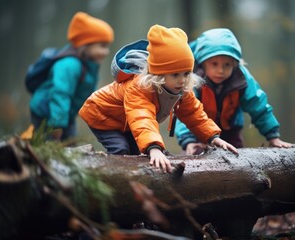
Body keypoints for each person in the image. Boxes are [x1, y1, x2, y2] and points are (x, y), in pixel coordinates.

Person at [79, 24, 238, 173]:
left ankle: (141, 187)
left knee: (137, 153)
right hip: (103, 115)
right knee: (121, 150)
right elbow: (142, 116)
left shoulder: (181, 89)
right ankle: (112, 180)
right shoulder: (140, 88)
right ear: (159, 74)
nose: (182, 80)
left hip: (126, 122)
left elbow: (194, 115)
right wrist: (154, 147)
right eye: (175, 74)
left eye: (186, 73)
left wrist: (213, 137)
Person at [175, 28, 292, 155]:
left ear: (235, 64)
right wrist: (188, 141)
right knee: (197, 159)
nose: (221, 70)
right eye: (214, 64)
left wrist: (273, 136)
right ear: (203, 63)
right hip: (198, 132)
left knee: (237, 158)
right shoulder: (193, 79)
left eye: (227, 65)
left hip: (230, 131)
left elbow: (258, 106)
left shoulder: (241, 79)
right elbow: (185, 111)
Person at [29, 12, 114, 141]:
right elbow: (60, 94)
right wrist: (56, 126)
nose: (106, 52)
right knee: (50, 146)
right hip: (46, 113)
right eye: (102, 46)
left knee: (70, 143)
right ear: (86, 44)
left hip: (65, 113)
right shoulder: (70, 65)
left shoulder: (88, 64)